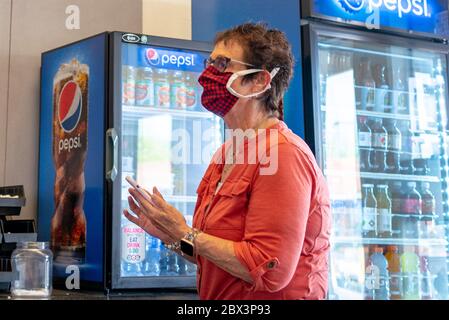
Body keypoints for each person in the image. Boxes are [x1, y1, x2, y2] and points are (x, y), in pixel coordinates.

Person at [124, 22, 331, 300]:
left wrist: (186, 232)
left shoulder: (284, 154)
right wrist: (173, 238)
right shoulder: (226, 154)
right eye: (209, 63)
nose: (207, 74)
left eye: (222, 64)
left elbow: (269, 270)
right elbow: (216, 261)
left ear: (259, 81)